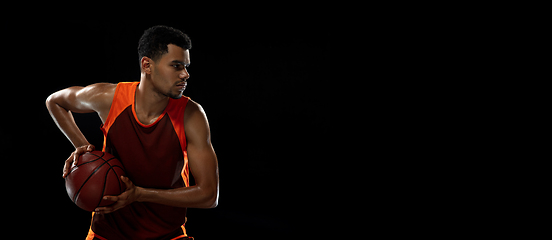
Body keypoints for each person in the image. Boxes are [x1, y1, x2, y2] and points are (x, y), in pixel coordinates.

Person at [46, 25, 219, 240]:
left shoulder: (191, 115)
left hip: (167, 233)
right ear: (147, 65)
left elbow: (209, 195)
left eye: (186, 66)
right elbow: (54, 101)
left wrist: (140, 194)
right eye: (176, 66)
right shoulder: (109, 98)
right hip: (107, 232)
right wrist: (83, 147)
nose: (185, 74)